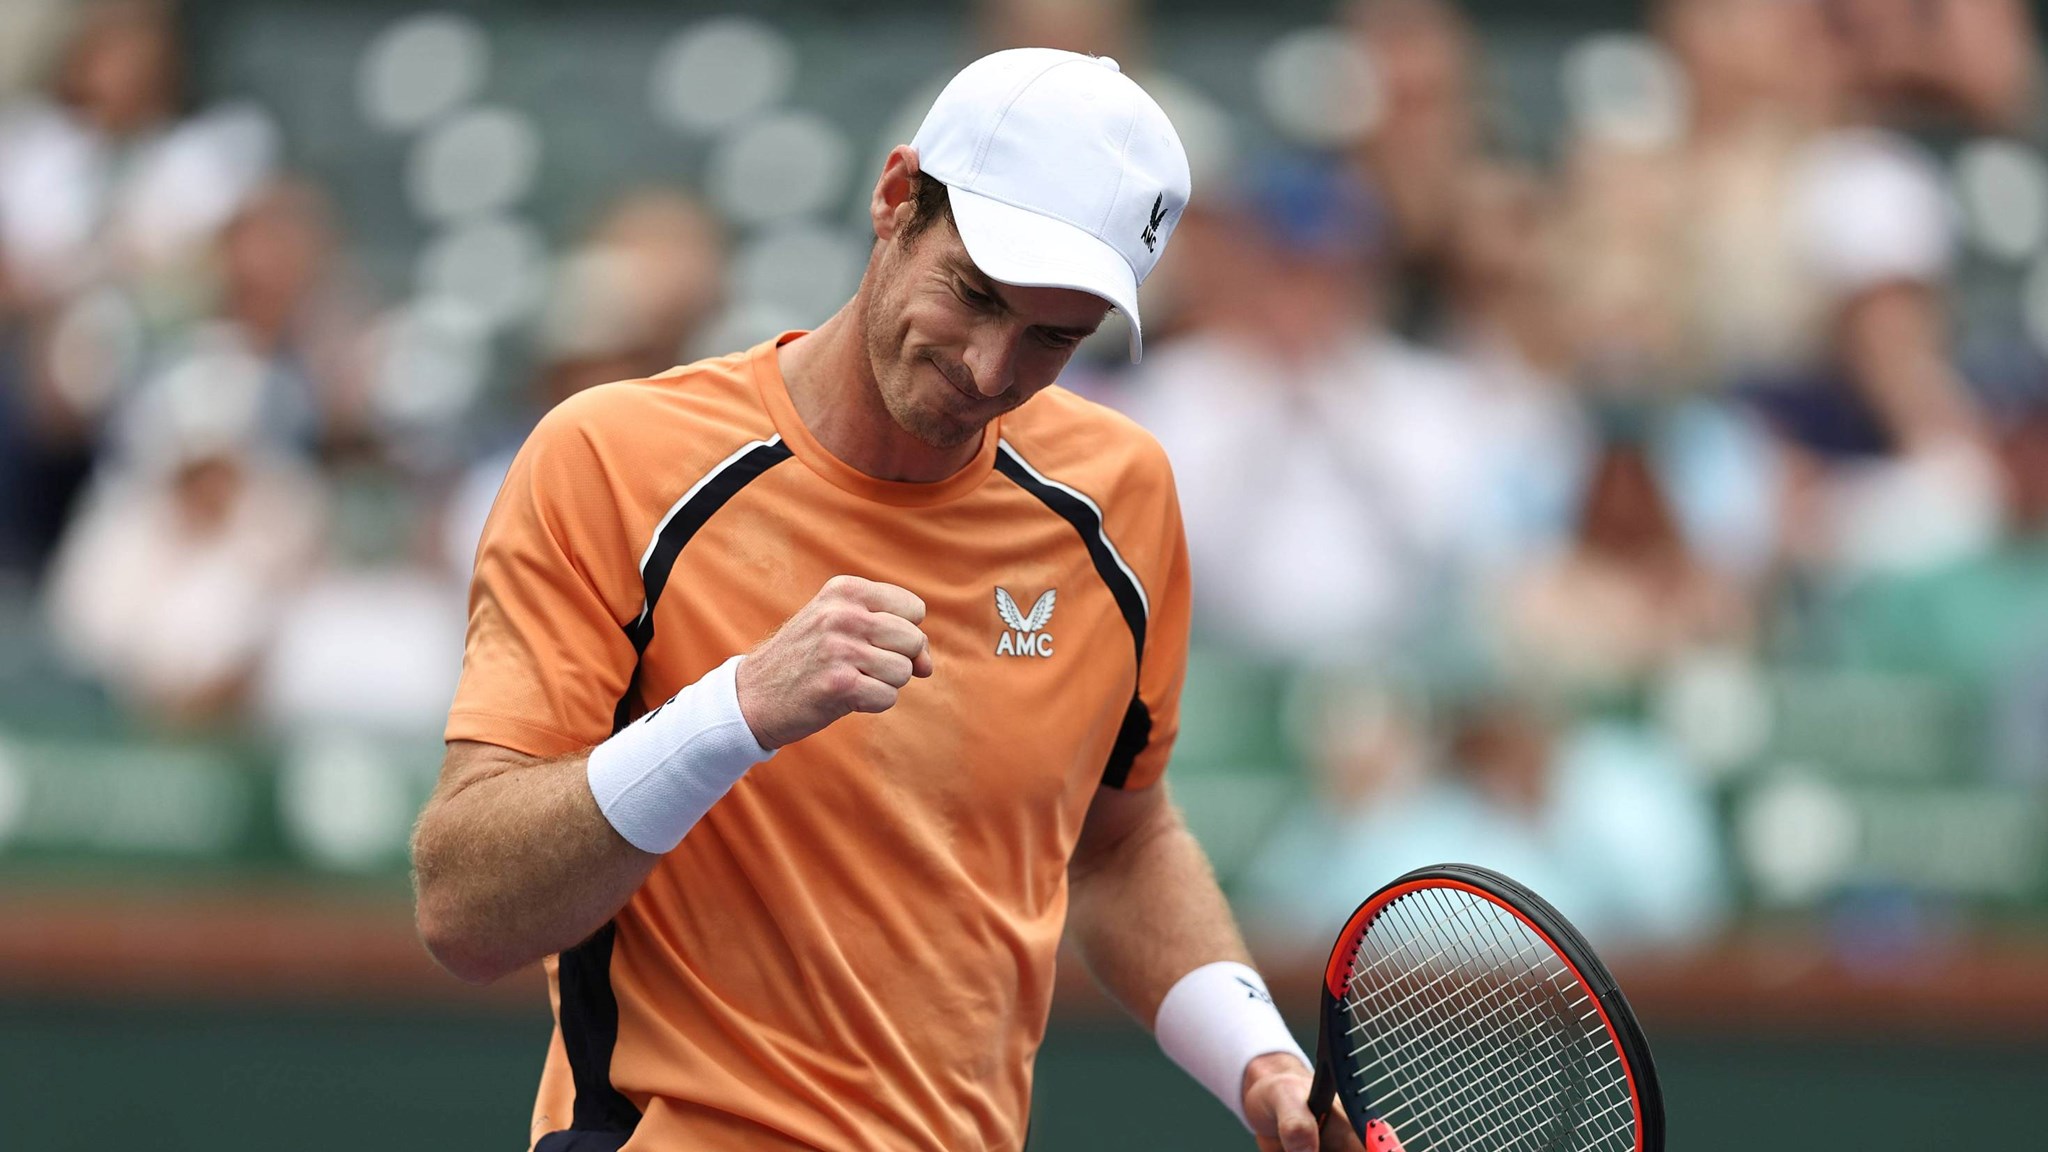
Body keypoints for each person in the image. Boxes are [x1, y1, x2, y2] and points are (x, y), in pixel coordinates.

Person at [411, 49, 1359, 1152]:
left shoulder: (1122, 496)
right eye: (973, 295)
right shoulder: (609, 461)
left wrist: (1257, 1059)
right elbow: (464, 912)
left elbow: (1115, 842)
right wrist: (736, 712)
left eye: (1054, 336)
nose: (992, 368)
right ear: (894, 199)